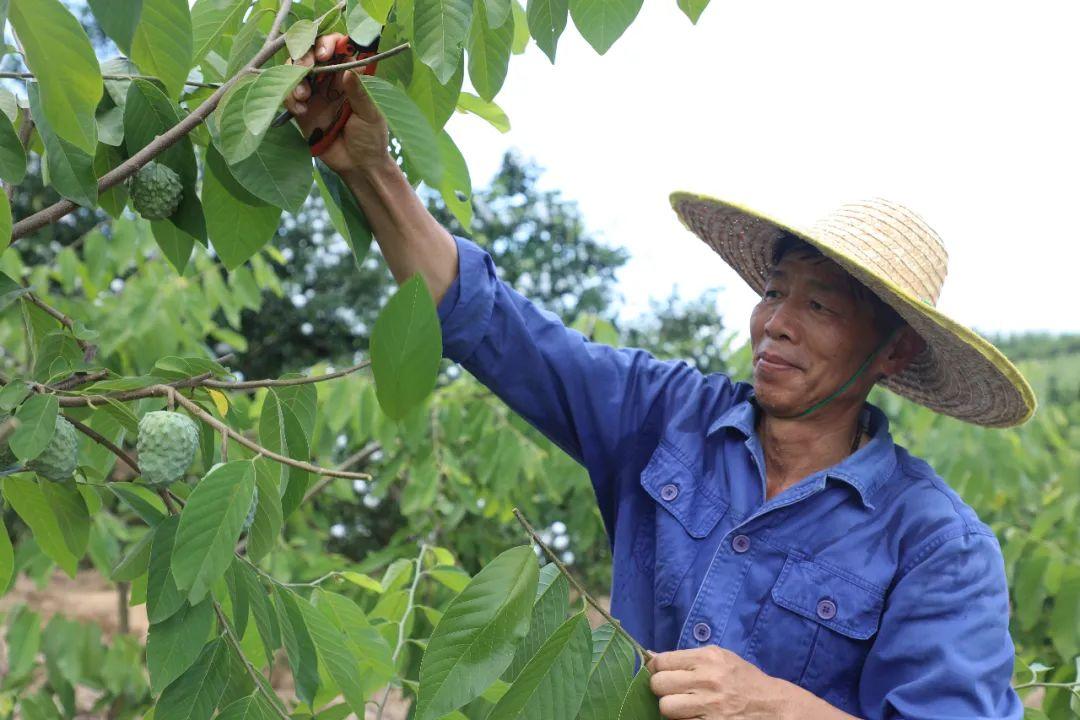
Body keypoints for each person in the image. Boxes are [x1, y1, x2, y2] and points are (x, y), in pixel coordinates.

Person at [286, 36, 1036, 720]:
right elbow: (493, 326)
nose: (777, 322)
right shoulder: (666, 417)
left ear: (893, 353)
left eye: (820, 305)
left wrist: (775, 706)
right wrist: (369, 166)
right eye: (774, 292)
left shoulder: (936, 545)